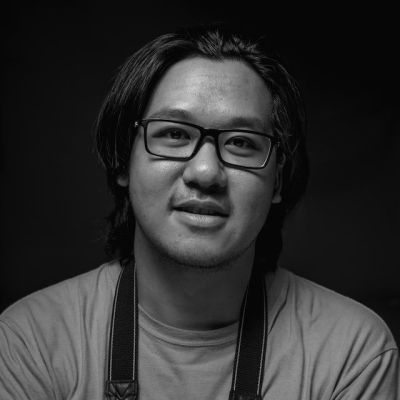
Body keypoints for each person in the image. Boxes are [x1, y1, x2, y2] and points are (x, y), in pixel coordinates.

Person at [0, 24, 398, 400]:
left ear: (277, 180)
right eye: (174, 133)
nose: (206, 172)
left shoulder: (351, 352)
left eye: (241, 142)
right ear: (123, 160)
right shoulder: (30, 342)